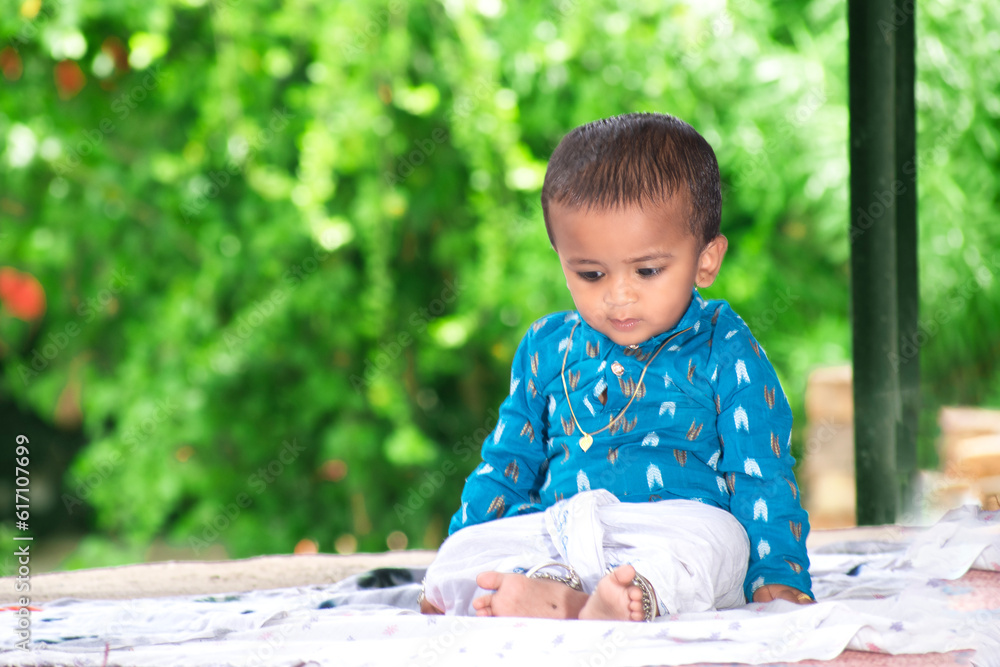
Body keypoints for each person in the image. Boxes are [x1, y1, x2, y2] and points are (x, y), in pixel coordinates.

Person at [419, 112, 813, 621]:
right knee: (471, 549)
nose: (619, 296)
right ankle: (553, 591)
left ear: (706, 260)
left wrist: (779, 575)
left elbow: (761, 472)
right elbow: (506, 466)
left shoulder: (724, 346)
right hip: (559, 530)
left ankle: (627, 597)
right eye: (591, 274)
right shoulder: (546, 347)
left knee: (721, 544)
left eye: (647, 270)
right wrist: (457, 556)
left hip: (672, 530)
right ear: (562, 259)